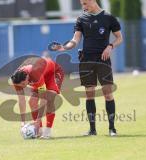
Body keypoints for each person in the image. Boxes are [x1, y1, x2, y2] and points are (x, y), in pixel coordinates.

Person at [52, 0, 123, 136]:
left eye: (85, 3)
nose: (83, 7)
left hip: (103, 60)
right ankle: (92, 130)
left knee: (107, 93)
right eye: (82, 4)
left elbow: (119, 38)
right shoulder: (81, 18)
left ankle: (112, 129)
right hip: (86, 60)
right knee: (89, 94)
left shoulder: (109, 17)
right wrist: (64, 47)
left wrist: (110, 46)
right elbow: (75, 40)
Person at [11, 57, 64, 139]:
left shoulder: (35, 74)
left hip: (53, 73)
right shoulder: (16, 80)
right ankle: (39, 131)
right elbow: (21, 100)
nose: (22, 87)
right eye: (20, 85)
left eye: (22, 84)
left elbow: (43, 100)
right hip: (41, 75)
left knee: (49, 99)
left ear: (26, 78)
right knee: (32, 102)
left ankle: (47, 132)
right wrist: (22, 122)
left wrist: (38, 120)